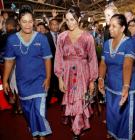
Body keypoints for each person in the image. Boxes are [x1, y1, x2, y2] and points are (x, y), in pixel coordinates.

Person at [3, 5, 52, 140]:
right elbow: (9, 61)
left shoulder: (42, 39)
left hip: (39, 82)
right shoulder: (12, 40)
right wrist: (5, 80)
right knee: (28, 111)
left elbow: (47, 60)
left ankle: (42, 136)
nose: (28, 24)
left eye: (30, 21)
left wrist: (48, 77)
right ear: (19, 22)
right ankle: (35, 132)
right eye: (24, 21)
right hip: (23, 83)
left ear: (34, 21)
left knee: (39, 111)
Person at [54, 6, 98, 140]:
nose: (70, 23)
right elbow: (58, 58)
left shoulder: (88, 37)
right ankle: (77, 126)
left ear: (78, 19)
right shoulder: (61, 37)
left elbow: (92, 59)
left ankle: (76, 132)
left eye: (72, 19)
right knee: (71, 101)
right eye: (67, 20)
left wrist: (92, 80)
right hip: (67, 74)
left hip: (82, 74)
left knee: (80, 100)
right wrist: (60, 78)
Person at [98, 14, 135, 140]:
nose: (110, 28)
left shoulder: (129, 43)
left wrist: (125, 86)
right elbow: (103, 63)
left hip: (126, 89)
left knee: (126, 123)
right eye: (110, 25)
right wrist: (100, 79)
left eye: (114, 26)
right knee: (113, 116)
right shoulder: (106, 43)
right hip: (111, 88)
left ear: (122, 28)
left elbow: (127, 65)